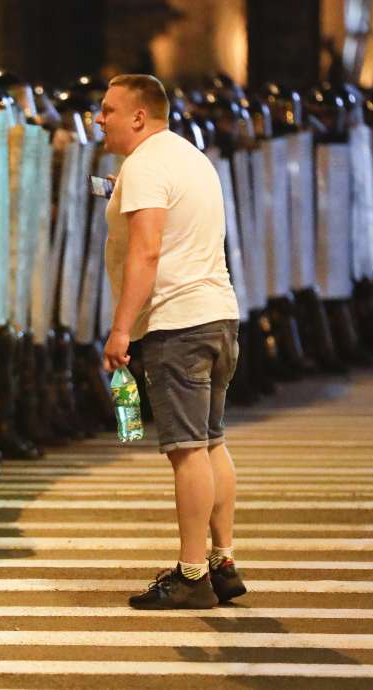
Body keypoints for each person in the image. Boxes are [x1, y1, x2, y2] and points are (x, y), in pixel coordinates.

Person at [96, 74, 245, 610]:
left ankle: (191, 573)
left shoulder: (145, 165)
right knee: (211, 443)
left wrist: (119, 329)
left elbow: (147, 252)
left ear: (139, 116)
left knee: (186, 454)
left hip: (176, 324)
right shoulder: (189, 155)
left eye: (108, 110)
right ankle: (222, 560)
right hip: (219, 316)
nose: (98, 118)